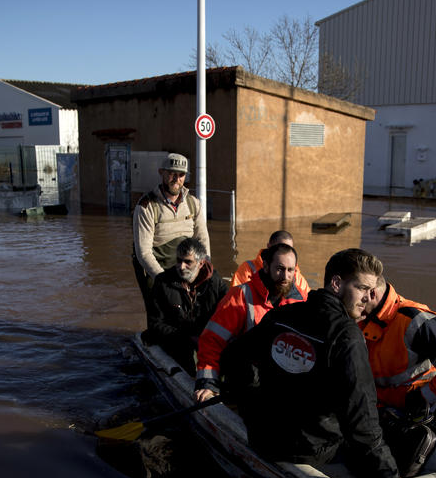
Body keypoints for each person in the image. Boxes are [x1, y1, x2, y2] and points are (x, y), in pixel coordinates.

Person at [221, 248, 420, 478]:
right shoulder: (347, 336)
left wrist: (251, 407)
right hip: (314, 452)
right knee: (387, 428)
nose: (368, 298)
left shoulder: (284, 315)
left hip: (264, 437)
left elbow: (233, 357)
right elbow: (361, 418)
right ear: (336, 284)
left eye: (372, 291)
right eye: (362, 288)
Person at [194, 243, 308, 402]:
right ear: (266, 266)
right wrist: (208, 383)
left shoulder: (301, 300)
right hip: (245, 383)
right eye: (280, 269)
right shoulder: (240, 296)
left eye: (290, 270)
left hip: (282, 385)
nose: (285, 276)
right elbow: (211, 341)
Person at [360, 275, 436, 412]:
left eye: (348, 296)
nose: (345, 304)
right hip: (381, 406)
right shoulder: (361, 317)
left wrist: (420, 399)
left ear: (371, 293)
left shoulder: (416, 320)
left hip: (420, 410)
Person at [132, 153, 210, 324]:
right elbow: (143, 252)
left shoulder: (193, 203)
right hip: (156, 266)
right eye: (171, 173)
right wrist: (163, 281)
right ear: (162, 173)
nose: (176, 179)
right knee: (158, 312)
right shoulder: (146, 206)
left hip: (185, 263)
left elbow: (202, 239)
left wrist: (204, 266)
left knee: (191, 308)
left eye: (181, 175)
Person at [144, 238, 228, 374]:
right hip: (176, 342)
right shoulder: (163, 283)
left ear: (201, 263)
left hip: (208, 340)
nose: (181, 266)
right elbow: (154, 324)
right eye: (179, 261)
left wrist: (208, 338)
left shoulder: (216, 283)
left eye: (188, 262)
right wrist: (187, 339)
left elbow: (228, 316)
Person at [231, 230, 310, 293]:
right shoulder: (247, 269)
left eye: (288, 249)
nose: (284, 253)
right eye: (279, 248)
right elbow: (236, 297)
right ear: (268, 246)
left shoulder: (297, 276)